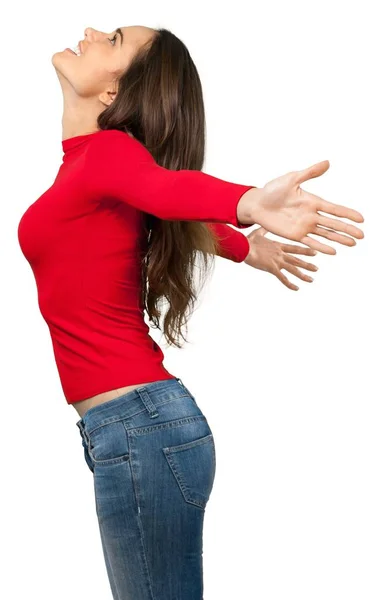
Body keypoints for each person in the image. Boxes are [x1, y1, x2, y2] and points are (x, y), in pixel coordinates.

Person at [17, 25, 364, 600]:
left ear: (113, 91)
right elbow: (157, 203)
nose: (91, 32)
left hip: (139, 427)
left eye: (115, 39)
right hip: (128, 430)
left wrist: (247, 202)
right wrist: (245, 245)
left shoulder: (108, 155)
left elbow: (165, 189)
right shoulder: (87, 166)